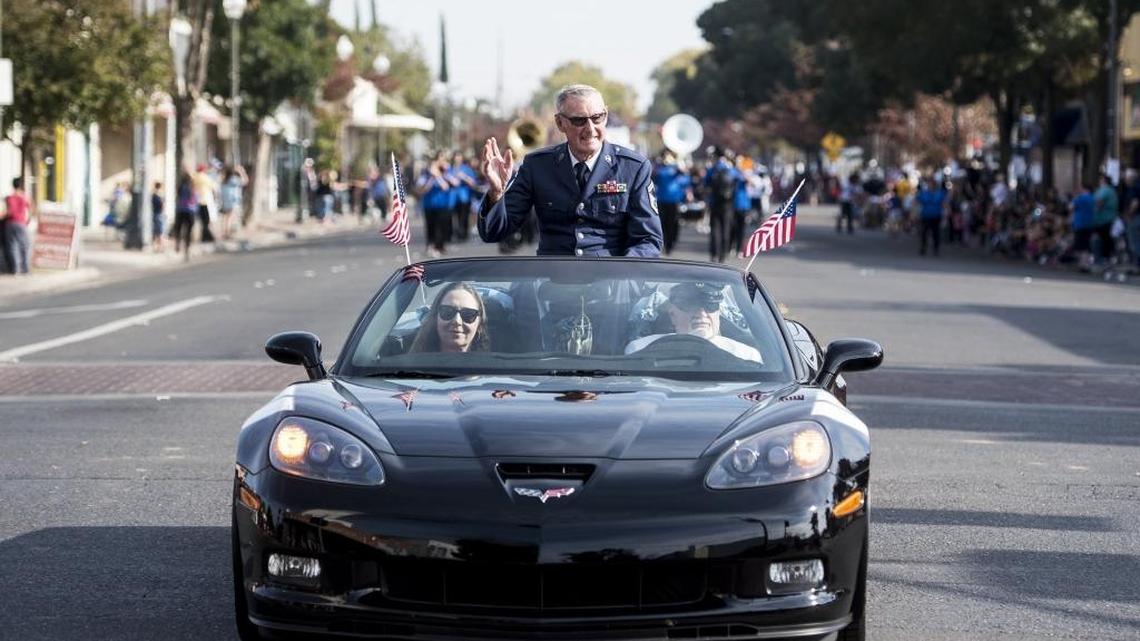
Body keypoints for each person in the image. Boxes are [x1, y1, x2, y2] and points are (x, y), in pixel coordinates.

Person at [478, 84, 663, 257]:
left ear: (605, 116)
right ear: (560, 123)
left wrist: (621, 279)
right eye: (579, 120)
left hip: (610, 286)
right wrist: (496, 193)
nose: (590, 129)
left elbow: (648, 240)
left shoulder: (632, 167)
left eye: (597, 118)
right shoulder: (538, 166)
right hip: (553, 284)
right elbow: (493, 232)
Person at [624, 282, 760, 362]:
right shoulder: (641, 351)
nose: (701, 314)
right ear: (672, 314)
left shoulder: (746, 356)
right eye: (690, 306)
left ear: (718, 314)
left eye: (710, 306)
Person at [409, 282, 491, 353]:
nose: (457, 321)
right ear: (435, 317)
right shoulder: (410, 365)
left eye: (468, 314)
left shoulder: (494, 367)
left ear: (479, 322)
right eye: (447, 312)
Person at [417, 151, 458, 257]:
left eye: (443, 159)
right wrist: (432, 176)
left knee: (442, 227)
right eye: (439, 159)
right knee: (431, 226)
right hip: (429, 205)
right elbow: (422, 189)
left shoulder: (447, 172)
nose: (441, 161)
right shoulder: (426, 173)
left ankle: (440, 246)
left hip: (443, 205)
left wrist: (439, 176)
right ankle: (430, 246)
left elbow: (447, 186)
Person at [652, 152, 690, 255]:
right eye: (666, 156)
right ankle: (664, 244)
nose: (667, 158)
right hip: (661, 200)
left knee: (673, 224)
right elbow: (655, 176)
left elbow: (686, 181)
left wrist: (682, 169)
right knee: (662, 224)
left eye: (670, 156)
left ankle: (670, 244)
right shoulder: (660, 168)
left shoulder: (678, 169)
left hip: (674, 201)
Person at [704, 148, 737, 262]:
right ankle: (723, 254)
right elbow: (738, 180)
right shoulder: (730, 169)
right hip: (728, 204)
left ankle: (714, 254)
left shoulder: (712, 169)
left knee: (715, 229)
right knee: (726, 229)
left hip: (714, 202)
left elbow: (706, 183)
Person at [1, 178, 32, 274]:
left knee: (12, 246)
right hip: (21, 223)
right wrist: (27, 222)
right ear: (21, 185)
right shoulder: (25, 197)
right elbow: (30, 211)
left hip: (10, 223)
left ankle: (15, 269)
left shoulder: (9, 198)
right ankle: (25, 269)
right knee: (24, 246)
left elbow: (8, 211)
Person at [219, 165, 248, 240]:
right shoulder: (233, 179)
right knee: (230, 217)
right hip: (232, 201)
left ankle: (225, 232)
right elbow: (245, 181)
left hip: (225, 200)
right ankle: (227, 233)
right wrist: (241, 171)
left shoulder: (224, 180)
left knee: (226, 217)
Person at [151, 182, 166, 253]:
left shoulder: (153, 195)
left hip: (155, 214)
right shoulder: (158, 196)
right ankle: (160, 247)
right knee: (160, 232)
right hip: (159, 214)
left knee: (156, 232)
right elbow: (162, 206)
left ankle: (156, 247)